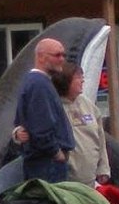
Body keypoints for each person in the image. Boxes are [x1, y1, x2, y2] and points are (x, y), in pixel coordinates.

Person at [10, 35, 75, 182]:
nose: (62, 59)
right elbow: (41, 128)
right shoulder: (39, 84)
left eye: (64, 55)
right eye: (57, 55)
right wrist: (56, 153)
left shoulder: (35, 82)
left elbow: (21, 121)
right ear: (40, 57)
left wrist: (17, 132)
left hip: (41, 162)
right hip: (47, 164)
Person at [60, 62, 112, 186]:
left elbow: (100, 138)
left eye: (82, 77)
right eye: (78, 77)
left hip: (90, 177)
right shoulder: (55, 107)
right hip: (67, 179)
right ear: (65, 81)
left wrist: (104, 168)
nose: (82, 80)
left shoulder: (88, 105)